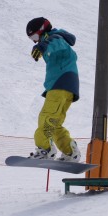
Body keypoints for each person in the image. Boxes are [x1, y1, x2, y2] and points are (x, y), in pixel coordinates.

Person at [26, 17, 81, 162]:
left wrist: (41, 47)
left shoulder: (54, 38)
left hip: (59, 84)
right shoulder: (57, 38)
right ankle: (70, 152)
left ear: (42, 31)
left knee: (46, 118)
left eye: (34, 37)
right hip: (67, 86)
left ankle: (45, 150)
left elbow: (54, 43)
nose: (34, 41)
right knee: (54, 124)